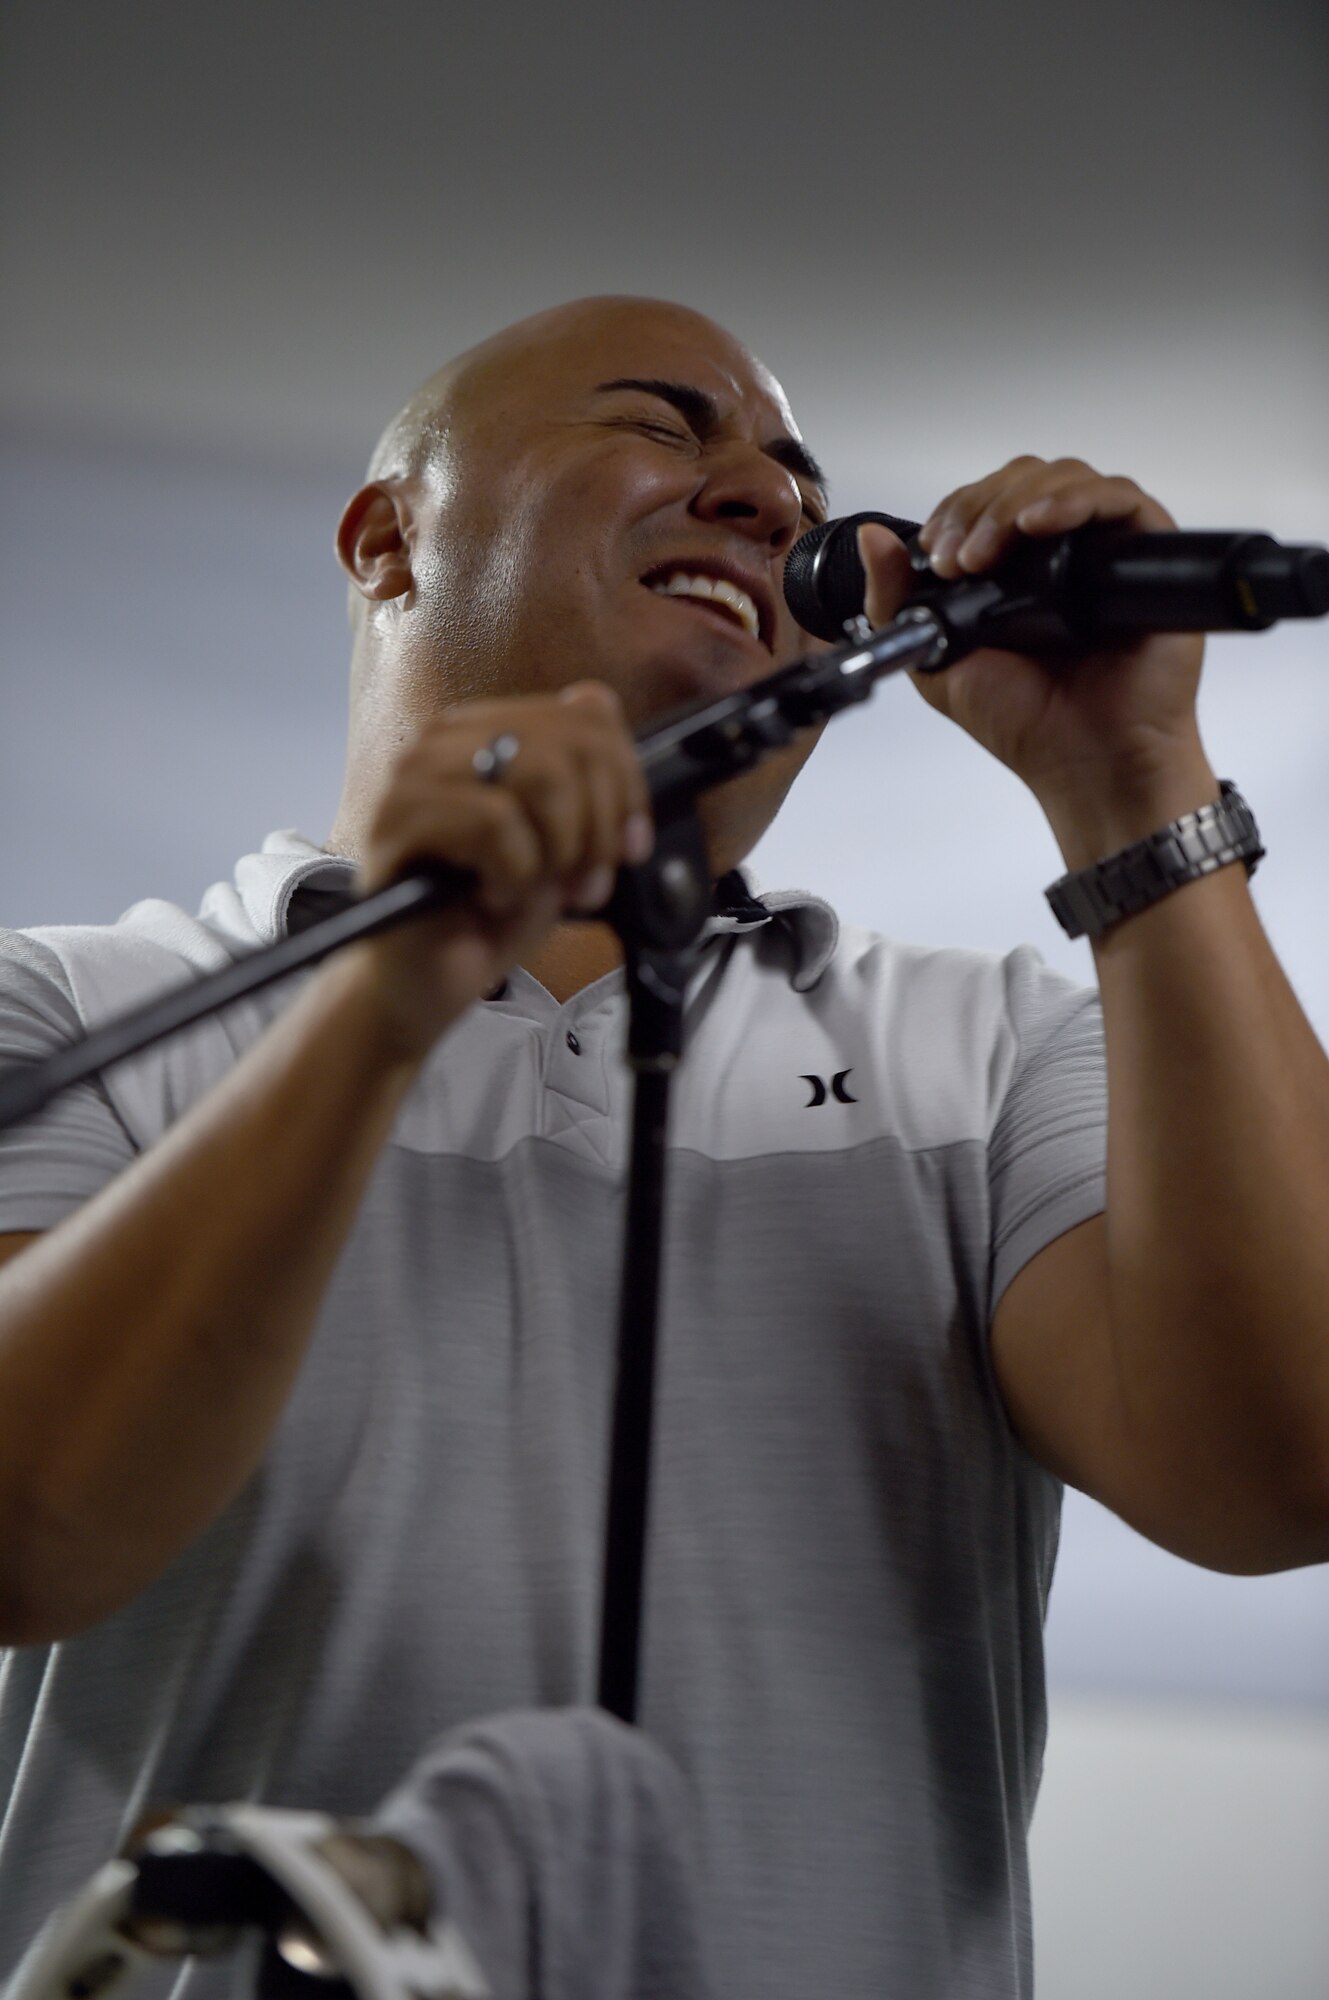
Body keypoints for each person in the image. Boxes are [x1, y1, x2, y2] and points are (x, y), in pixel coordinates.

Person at [1, 295, 1326, 2000]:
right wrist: (372, 1014)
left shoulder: (986, 1052)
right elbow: (27, 1529)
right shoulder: (65, 1014)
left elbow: (1283, 1469)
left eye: (792, 477)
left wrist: (1132, 781)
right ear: (387, 540)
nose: (765, 499)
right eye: (663, 423)